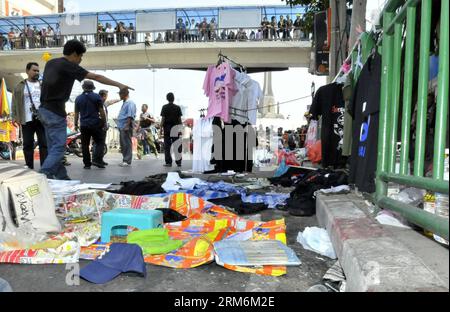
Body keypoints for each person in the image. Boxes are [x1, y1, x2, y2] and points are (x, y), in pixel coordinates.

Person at [38, 39, 132, 180]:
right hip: (55, 112)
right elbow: (96, 76)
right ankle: (41, 177)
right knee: (58, 148)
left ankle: (63, 179)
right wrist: (119, 85)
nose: (81, 60)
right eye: (80, 56)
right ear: (74, 54)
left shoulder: (51, 63)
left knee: (54, 149)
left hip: (43, 110)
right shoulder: (69, 65)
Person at [11, 62, 48, 170]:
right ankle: (29, 167)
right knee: (27, 144)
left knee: (44, 144)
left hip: (42, 119)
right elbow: (14, 102)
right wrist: (14, 116)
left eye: (38, 70)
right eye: (34, 70)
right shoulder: (20, 86)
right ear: (27, 71)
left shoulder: (43, 85)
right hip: (26, 119)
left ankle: (45, 168)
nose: (36, 72)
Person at [74, 80, 107, 169]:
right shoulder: (97, 97)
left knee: (85, 145)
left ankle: (87, 164)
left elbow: (76, 113)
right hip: (95, 124)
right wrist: (104, 122)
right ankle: (97, 160)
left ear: (83, 88)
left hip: (84, 125)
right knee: (100, 142)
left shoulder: (78, 98)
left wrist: (76, 124)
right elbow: (101, 111)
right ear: (92, 88)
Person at [92, 89, 121, 165]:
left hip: (102, 126)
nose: (107, 97)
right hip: (99, 125)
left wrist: (119, 99)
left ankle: (99, 159)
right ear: (104, 96)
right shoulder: (97, 102)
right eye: (106, 96)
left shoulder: (104, 103)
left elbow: (110, 102)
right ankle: (96, 160)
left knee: (100, 144)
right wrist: (104, 124)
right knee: (98, 143)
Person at [160, 92, 182, 167]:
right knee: (177, 145)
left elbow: (163, 119)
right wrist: (181, 129)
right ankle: (178, 162)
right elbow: (179, 119)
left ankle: (168, 162)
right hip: (175, 128)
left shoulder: (164, 107)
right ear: (173, 98)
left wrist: (160, 129)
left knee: (167, 146)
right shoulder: (177, 107)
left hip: (167, 128)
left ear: (167, 98)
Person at [116, 88, 137, 167]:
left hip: (125, 126)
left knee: (126, 143)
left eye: (120, 94)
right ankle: (125, 159)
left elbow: (130, 115)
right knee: (123, 143)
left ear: (124, 94)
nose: (119, 95)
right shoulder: (125, 103)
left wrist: (127, 126)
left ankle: (127, 160)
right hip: (122, 126)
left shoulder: (130, 103)